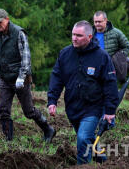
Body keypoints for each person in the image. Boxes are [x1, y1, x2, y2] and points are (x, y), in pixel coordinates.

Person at [47, 20, 119, 164]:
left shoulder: (102, 56)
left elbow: (110, 84)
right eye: (73, 34)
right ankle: (102, 160)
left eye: (79, 35)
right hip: (73, 107)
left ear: (89, 37)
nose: (74, 38)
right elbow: (57, 77)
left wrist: (110, 110)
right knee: (88, 137)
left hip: (94, 107)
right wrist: (52, 100)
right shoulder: (65, 54)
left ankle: (83, 166)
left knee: (83, 137)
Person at [0, 8, 56, 142]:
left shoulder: (19, 33)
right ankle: (8, 141)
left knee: (29, 111)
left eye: (0, 22)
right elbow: (0, 58)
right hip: (5, 78)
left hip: (21, 78)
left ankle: (48, 129)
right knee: (3, 110)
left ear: (7, 19)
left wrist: (21, 77)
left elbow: (26, 58)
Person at [93, 11, 129, 82]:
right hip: (95, 67)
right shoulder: (90, 34)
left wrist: (118, 57)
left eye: (99, 22)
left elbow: (127, 47)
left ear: (105, 20)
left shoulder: (116, 33)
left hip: (111, 69)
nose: (97, 24)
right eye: (95, 22)